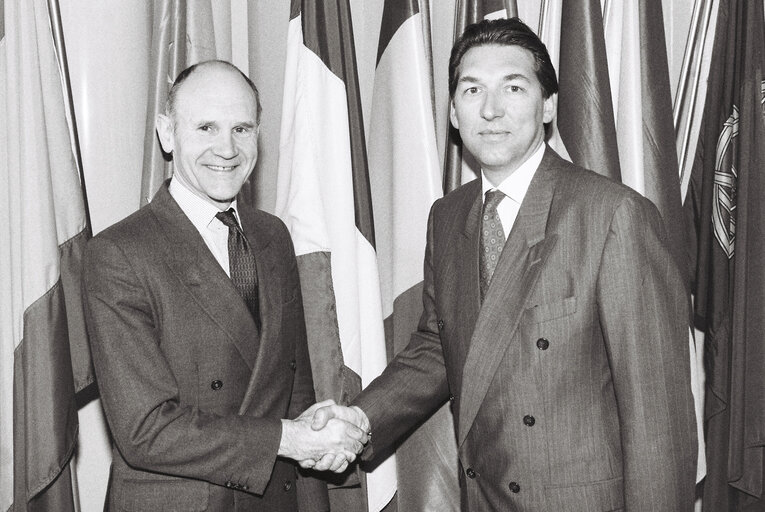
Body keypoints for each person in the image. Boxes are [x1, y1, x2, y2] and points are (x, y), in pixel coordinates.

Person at [313, 18, 697, 511]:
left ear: (548, 105)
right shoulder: (448, 218)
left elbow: (657, 421)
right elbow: (441, 344)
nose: (491, 110)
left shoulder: (612, 215)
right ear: (453, 112)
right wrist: (362, 419)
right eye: (472, 90)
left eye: (513, 87)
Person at [82, 60, 366, 512]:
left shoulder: (272, 235)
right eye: (207, 127)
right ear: (167, 134)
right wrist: (289, 439)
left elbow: (295, 391)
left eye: (242, 128)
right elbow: (145, 430)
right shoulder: (118, 254)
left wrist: (311, 441)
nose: (227, 148)